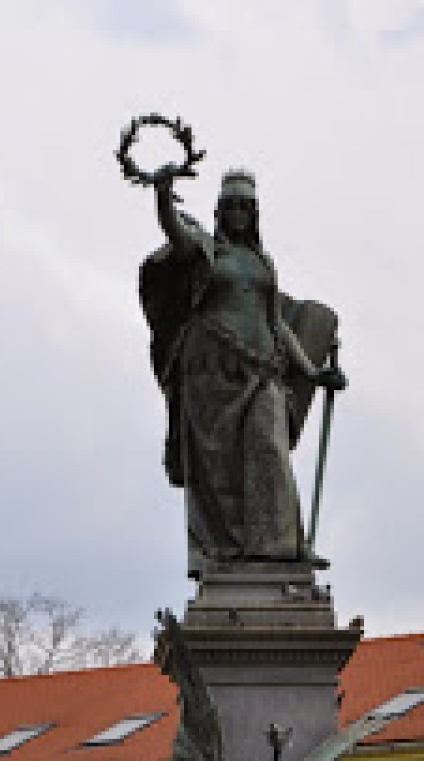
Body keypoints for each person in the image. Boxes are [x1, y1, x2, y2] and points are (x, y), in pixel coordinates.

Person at [140, 165, 346, 576]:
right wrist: (163, 194)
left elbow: (277, 323)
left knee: (270, 448)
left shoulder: (262, 261)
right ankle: (224, 553)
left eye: (246, 206)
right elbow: (174, 231)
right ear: (219, 211)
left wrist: (312, 371)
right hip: (211, 371)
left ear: (255, 213)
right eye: (231, 205)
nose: (239, 213)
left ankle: (283, 548)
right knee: (218, 470)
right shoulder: (205, 251)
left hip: (262, 368)